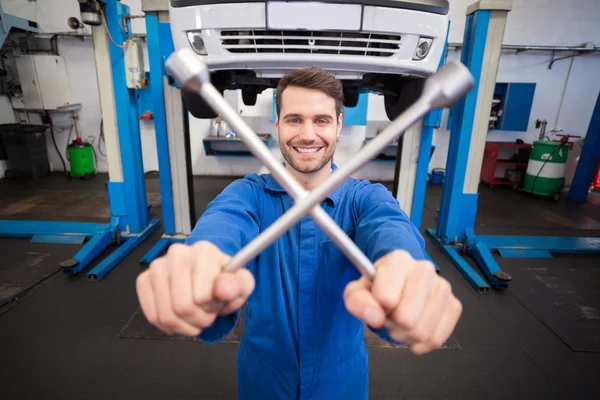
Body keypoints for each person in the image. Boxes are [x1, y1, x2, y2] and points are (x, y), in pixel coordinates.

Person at [135, 67, 462, 400]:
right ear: (277, 125)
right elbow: (222, 224)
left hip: (341, 384)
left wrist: (403, 270)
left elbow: (389, 228)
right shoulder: (248, 195)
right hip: (262, 383)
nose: (307, 135)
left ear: (338, 125)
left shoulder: (366, 199)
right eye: (294, 120)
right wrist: (200, 264)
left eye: (321, 120)